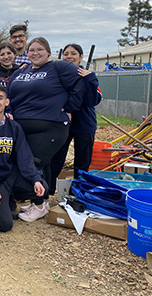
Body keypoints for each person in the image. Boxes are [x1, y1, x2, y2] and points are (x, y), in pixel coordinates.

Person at [7, 37, 84, 222]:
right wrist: (8, 111)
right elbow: (9, 93)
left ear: (48, 52)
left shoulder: (59, 67)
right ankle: (40, 201)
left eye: (39, 49)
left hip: (50, 127)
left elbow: (81, 83)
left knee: (34, 164)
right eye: (31, 50)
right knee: (44, 165)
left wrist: (69, 106)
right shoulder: (22, 71)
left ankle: (39, 204)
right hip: (21, 127)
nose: (35, 53)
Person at [0, 83, 47, 230]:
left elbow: (24, 156)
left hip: (10, 176)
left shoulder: (14, 127)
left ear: (6, 102)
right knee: (5, 225)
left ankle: (9, 198)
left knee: (42, 187)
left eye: (0, 98)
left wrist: (35, 179)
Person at [49, 43, 102, 193]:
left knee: (82, 162)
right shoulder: (58, 75)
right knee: (56, 158)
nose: (69, 57)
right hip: (62, 123)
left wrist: (91, 79)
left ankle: (77, 193)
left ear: (81, 57)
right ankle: (48, 190)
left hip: (84, 124)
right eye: (66, 54)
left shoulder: (88, 76)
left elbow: (94, 101)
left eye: (73, 54)